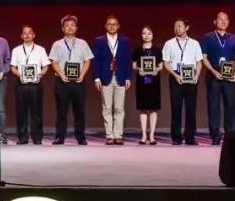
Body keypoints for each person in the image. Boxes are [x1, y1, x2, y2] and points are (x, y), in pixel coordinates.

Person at [49, 15, 94, 145]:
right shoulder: (57, 44)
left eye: (72, 25)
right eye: (67, 25)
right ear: (62, 28)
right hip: (62, 82)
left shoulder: (83, 43)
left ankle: (81, 137)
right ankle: (60, 137)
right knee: (61, 111)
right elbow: (54, 61)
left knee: (79, 111)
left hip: (79, 82)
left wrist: (82, 75)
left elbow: (87, 61)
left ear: (76, 28)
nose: (70, 27)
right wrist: (61, 74)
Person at [201, 11, 235, 144]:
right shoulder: (208, 37)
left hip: (230, 75)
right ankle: (215, 136)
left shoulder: (234, 38)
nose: (223, 22)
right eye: (220, 19)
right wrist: (213, 71)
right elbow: (204, 57)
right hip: (214, 74)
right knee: (213, 106)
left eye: (226, 20)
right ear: (215, 21)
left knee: (230, 106)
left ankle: (231, 136)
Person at [92, 15, 133, 145]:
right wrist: (96, 78)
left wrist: (128, 77)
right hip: (105, 77)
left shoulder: (125, 40)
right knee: (107, 108)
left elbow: (128, 60)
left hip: (121, 77)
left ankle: (118, 135)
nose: (112, 26)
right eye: (109, 24)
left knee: (119, 108)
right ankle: (109, 135)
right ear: (105, 26)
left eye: (114, 24)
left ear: (118, 26)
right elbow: (96, 61)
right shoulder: (99, 41)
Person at [162, 18, 202, 145]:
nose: (177, 28)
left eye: (179, 26)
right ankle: (176, 137)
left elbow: (199, 62)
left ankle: (190, 137)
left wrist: (197, 76)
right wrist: (174, 75)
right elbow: (166, 63)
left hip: (191, 75)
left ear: (187, 27)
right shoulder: (169, 43)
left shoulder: (195, 43)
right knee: (176, 108)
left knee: (191, 108)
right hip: (176, 75)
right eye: (175, 26)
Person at [11, 25, 50, 145]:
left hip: (35, 84)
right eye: (24, 33)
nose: (27, 35)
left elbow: (46, 66)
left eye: (29, 33)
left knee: (36, 112)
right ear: (21, 36)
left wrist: (40, 75)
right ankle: (22, 137)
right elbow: (13, 67)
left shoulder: (40, 49)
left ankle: (37, 137)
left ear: (34, 35)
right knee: (21, 112)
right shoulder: (16, 50)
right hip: (22, 84)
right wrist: (19, 75)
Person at [132, 26, 162, 145]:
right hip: (142, 81)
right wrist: (139, 69)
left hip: (154, 82)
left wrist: (155, 70)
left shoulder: (157, 50)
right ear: (141, 35)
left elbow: (161, 66)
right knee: (143, 108)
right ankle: (144, 135)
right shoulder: (137, 50)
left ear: (152, 35)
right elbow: (134, 65)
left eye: (149, 33)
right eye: (144, 33)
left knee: (154, 109)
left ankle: (152, 135)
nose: (146, 35)